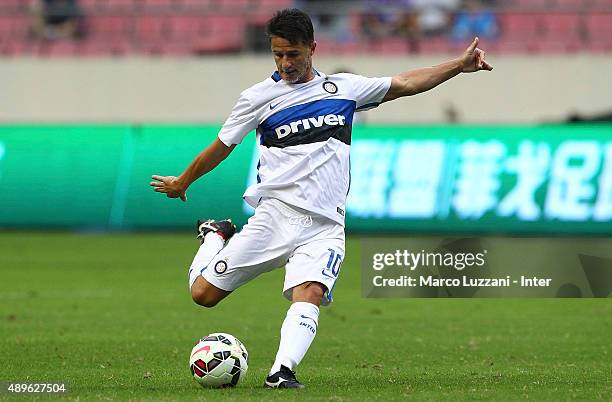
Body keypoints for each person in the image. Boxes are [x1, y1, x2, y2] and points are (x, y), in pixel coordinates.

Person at [150, 8, 492, 389]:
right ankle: (214, 235)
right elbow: (222, 146)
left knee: (310, 290)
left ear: (312, 48)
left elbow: (406, 83)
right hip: (274, 217)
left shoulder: (344, 90)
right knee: (203, 295)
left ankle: (282, 372)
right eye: (278, 54)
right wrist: (183, 181)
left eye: (293, 54)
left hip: (326, 224)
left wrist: (458, 65)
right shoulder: (257, 98)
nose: (285, 63)